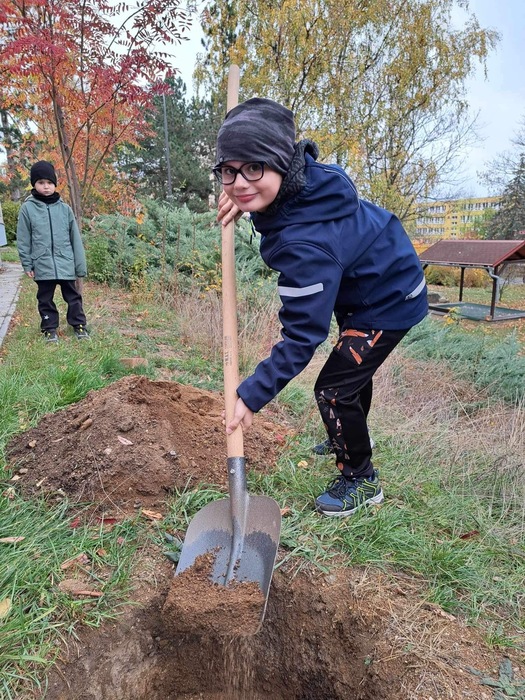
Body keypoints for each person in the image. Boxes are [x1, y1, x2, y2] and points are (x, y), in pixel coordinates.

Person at [214, 98, 428, 518]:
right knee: (350, 374)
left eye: (253, 168)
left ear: (281, 163)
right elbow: (273, 198)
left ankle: (361, 479)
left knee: (334, 387)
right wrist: (248, 195)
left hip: (388, 297)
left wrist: (253, 394)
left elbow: (302, 335)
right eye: (228, 171)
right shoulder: (302, 186)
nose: (238, 182)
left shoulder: (305, 244)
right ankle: (346, 434)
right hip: (368, 280)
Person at [16, 160, 89, 343]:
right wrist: (27, 264)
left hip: (65, 262)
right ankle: (49, 328)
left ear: (55, 184)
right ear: (34, 184)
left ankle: (79, 325)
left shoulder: (65, 209)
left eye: (49, 182)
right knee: (45, 299)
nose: (46, 186)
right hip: (42, 263)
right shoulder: (27, 209)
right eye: (41, 182)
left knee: (73, 297)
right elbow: (24, 239)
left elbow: (75, 239)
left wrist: (79, 266)